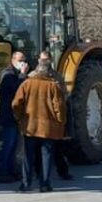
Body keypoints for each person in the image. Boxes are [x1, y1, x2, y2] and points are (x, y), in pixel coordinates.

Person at [12, 59, 67, 193]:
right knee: (46, 155)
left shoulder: (26, 84)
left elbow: (16, 104)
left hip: (30, 126)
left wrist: (19, 118)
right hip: (48, 127)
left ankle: (25, 183)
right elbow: (59, 107)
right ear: (49, 72)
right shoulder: (53, 86)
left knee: (28, 156)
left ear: (36, 70)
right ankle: (45, 184)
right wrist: (61, 122)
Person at [39, 50, 74, 181]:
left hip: (54, 117)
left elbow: (63, 96)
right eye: (43, 59)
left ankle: (63, 171)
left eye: (47, 59)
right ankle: (40, 174)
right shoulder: (33, 76)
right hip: (40, 117)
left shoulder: (57, 77)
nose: (45, 62)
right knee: (41, 149)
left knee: (58, 147)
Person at [0, 52, 28, 183]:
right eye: (20, 60)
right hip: (9, 115)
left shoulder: (14, 74)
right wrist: (22, 74)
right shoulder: (8, 75)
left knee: (14, 145)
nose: (23, 62)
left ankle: (11, 171)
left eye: (24, 60)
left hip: (15, 116)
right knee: (8, 145)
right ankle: (3, 172)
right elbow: (18, 89)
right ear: (13, 60)